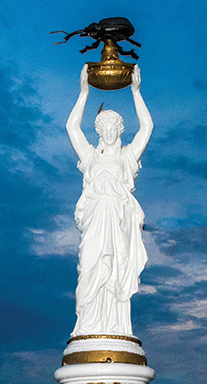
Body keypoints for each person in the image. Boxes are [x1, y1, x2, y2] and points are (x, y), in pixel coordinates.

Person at [66, 64, 153, 337]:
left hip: (118, 223)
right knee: (90, 267)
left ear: (120, 129)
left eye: (114, 127)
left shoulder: (127, 158)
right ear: (98, 130)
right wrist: (83, 94)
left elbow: (148, 127)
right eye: (104, 127)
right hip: (95, 221)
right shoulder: (90, 157)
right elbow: (71, 127)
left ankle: (117, 328)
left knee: (115, 272)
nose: (109, 131)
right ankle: (87, 328)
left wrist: (136, 92)